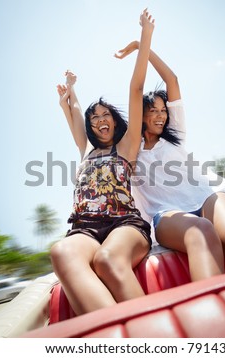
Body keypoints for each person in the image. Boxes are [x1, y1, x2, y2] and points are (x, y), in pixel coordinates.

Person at [115, 41, 225, 275]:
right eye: (153, 111)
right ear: (142, 116)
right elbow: (134, 93)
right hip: (167, 214)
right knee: (199, 231)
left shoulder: (174, 133)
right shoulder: (130, 151)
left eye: (163, 110)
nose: (160, 115)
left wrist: (142, 48)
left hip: (207, 197)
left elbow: (172, 80)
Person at [49, 9, 155, 316]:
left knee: (107, 260)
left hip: (124, 224)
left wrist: (145, 37)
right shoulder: (85, 150)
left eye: (105, 114)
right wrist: (70, 88)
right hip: (85, 229)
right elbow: (76, 110)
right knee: (61, 252)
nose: (99, 120)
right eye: (94, 118)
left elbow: (136, 89)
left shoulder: (127, 146)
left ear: (115, 120)